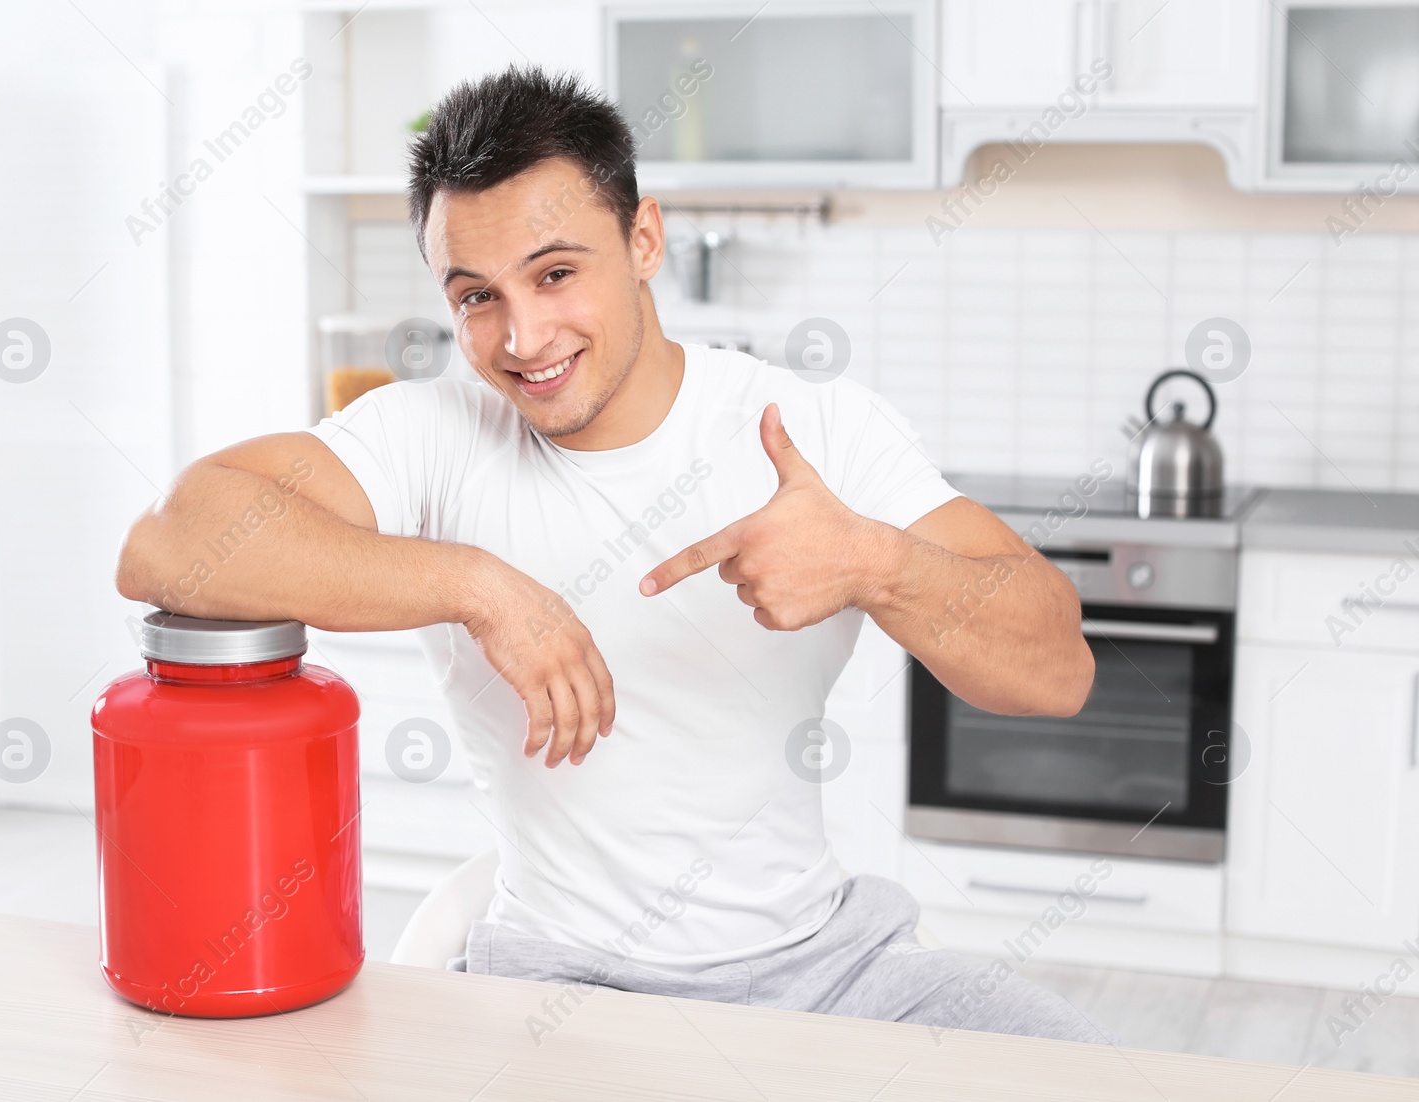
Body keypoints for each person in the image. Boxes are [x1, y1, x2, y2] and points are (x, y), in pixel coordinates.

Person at [116, 66, 1111, 1045]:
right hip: (555, 988)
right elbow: (168, 540)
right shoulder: (430, 433)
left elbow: (1058, 669)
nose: (524, 335)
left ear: (643, 239)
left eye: (555, 273)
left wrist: (875, 561)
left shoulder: (811, 428)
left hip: (828, 971)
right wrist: (478, 586)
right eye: (475, 297)